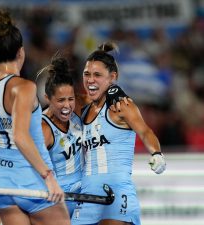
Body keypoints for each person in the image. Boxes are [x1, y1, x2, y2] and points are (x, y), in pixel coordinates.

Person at [0, 10, 70, 225]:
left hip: (2, 183)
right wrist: (48, 177)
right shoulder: (24, 88)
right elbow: (20, 137)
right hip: (33, 182)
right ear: (21, 52)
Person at [71, 42, 166, 225]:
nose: (90, 80)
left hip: (116, 194)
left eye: (97, 75)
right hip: (87, 197)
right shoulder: (82, 109)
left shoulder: (121, 106)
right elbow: (63, 97)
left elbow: (145, 131)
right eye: (87, 74)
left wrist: (156, 153)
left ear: (112, 77)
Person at [41, 56, 83, 217]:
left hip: (85, 197)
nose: (67, 106)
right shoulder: (43, 128)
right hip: (59, 202)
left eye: (70, 99)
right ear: (47, 98)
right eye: (60, 100)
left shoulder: (77, 111)